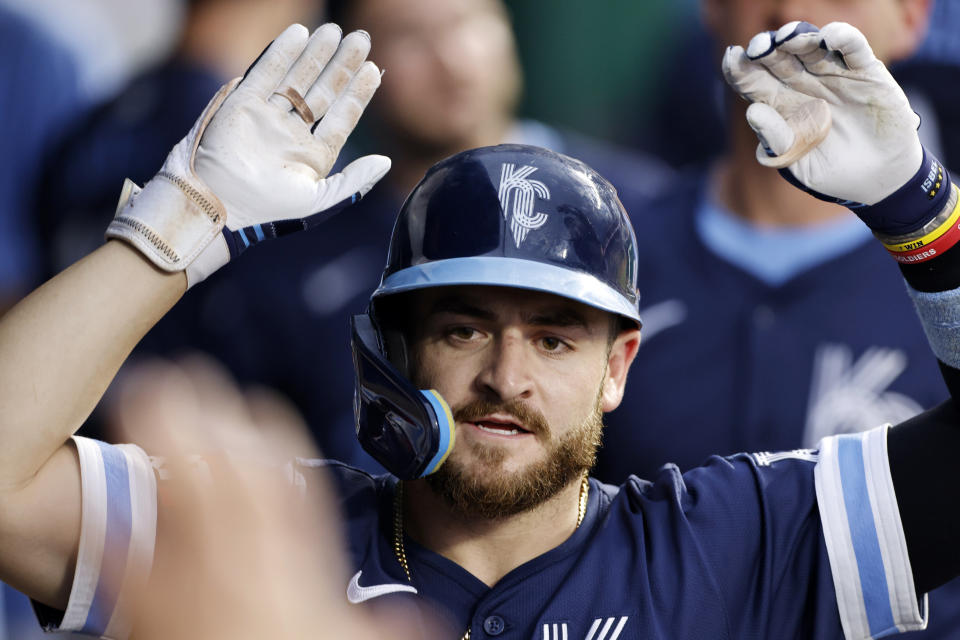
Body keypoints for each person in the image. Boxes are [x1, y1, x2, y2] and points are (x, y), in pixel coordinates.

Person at [1, 19, 960, 640]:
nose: (508, 374)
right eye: (463, 328)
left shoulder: (733, 541)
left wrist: (923, 217)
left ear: (618, 365)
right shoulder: (270, 534)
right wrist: (181, 221)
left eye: (555, 337)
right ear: (393, 347)